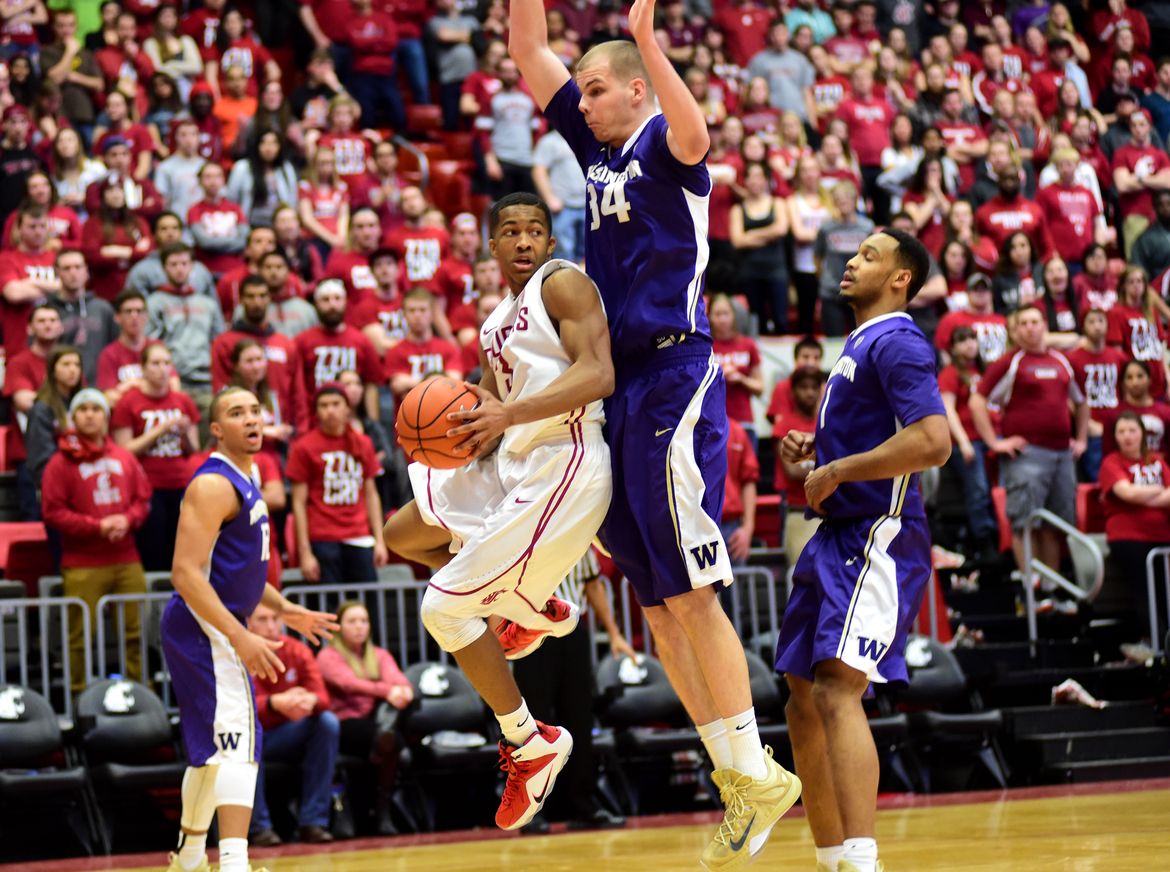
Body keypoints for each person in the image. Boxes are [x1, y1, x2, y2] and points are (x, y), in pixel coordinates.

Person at [508, 8, 801, 867]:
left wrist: (652, 43)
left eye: (597, 90)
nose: (584, 102)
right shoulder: (596, 154)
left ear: (636, 91)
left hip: (675, 375)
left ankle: (754, 763)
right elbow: (528, 49)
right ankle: (739, 774)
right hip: (618, 386)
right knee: (655, 603)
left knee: (694, 591)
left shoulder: (668, 152)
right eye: (584, 91)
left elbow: (696, 126)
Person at [381, 193, 613, 832]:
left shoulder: (563, 285)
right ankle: (527, 606)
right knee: (401, 531)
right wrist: (455, 418)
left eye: (535, 230)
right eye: (510, 231)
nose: (524, 241)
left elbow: (598, 374)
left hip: (564, 459)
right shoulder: (492, 323)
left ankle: (530, 740)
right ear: (491, 247)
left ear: (548, 240)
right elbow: (494, 398)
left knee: (441, 607)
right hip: (514, 462)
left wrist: (506, 415)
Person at [777, 229, 951, 872]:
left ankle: (862, 860)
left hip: (877, 532)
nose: (851, 261)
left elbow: (934, 441)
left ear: (901, 279)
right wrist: (815, 452)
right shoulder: (856, 342)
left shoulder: (899, 338)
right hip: (835, 535)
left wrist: (840, 470)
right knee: (800, 695)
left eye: (870, 256)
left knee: (838, 689)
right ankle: (830, 859)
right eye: (853, 254)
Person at [159, 385, 337, 872]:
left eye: (256, 411)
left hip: (207, 623)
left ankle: (190, 855)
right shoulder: (213, 484)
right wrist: (238, 635)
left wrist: (286, 608)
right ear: (217, 429)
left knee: (210, 753)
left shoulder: (249, 475)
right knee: (240, 739)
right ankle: (234, 863)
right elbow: (186, 573)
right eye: (237, 413)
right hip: (205, 625)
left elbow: (239, 571)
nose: (251, 420)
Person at [41, 388, 152, 692]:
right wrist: (97, 526)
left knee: (137, 632)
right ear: (73, 418)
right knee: (79, 636)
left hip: (127, 558)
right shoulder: (60, 462)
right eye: (83, 409)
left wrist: (128, 520)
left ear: (106, 417)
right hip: (82, 563)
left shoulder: (125, 457)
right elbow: (53, 512)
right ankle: (78, 697)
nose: (90, 414)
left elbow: (144, 500)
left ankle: (142, 693)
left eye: (96, 408)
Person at [969, 306, 1088, 577]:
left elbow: (1081, 402)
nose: (1031, 327)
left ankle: (1051, 591)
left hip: (1061, 455)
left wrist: (1080, 439)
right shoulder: (1010, 361)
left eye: (1035, 322)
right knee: (1025, 523)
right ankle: (1031, 590)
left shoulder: (1062, 361)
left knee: (1053, 525)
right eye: (1024, 323)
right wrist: (995, 442)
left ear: (1044, 325)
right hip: (1026, 455)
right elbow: (977, 402)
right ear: (1015, 330)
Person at [246, 602, 340, 847]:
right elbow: (240, 706)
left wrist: (310, 700)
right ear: (248, 623)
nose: (270, 626)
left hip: (288, 733)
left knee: (327, 723)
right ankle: (259, 828)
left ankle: (313, 822)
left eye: (275, 619)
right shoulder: (241, 652)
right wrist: (274, 703)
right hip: (254, 734)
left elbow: (323, 697)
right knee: (247, 737)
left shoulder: (297, 650)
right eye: (262, 619)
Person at [317, 600, 414, 836]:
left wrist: (403, 691)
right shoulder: (328, 656)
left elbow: (401, 683)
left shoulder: (379, 655)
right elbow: (348, 684)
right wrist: (387, 691)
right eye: (352, 621)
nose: (359, 626)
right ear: (338, 626)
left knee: (389, 736)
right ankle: (380, 810)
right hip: (341, 725)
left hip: (373, 724)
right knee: (388, 739)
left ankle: (382, 812)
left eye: (364, 621)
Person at [111, 343, 201, 572]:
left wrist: (184, 434)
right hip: (148, 486)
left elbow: (194, 449)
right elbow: (124, 451)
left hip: (181, 483)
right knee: (154, 549)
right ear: (143, 368)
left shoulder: (183, 401)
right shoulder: (129, 402)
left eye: (166, 363)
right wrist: (161, 429)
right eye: (155, 363)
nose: (162, 369)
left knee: (180, 549)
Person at [287, 384, 388, 584]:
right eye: (323, 405)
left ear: (347, 408)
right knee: (329, 609)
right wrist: (305, 553)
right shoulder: (303, 447)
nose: (330, 410)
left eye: (335, 404)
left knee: (366, 605)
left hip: (359, 535)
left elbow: (371, 494)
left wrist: (379, 541)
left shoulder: (363, 443)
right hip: (323, 537)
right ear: (316, 411)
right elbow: (298, 503)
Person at [1097, 411, 1170, 653]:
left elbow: (1136, 494)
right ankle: (1153, 641)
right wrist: (1157, 491)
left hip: (1163, 536)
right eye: (1122, 432)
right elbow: (1125, 493)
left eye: (1132, 430)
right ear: (1115, 437)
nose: (1127, 436)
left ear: (1142, 433)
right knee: (1144, 588)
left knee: (1164, 588)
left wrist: (1141, 495)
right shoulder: (1112, 463)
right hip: (1128, 538)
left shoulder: (1157, 462)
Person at [938, 325, 999, 562]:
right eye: (962, 340)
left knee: (997, 492)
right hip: (967, 441)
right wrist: (963, 442)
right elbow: (948, 410)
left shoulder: (984, 371)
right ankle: (985, 543)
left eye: (972, 339)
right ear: (952, 348)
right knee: (979, 491)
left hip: (991, 439)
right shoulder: (951, 373)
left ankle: (1000, 539)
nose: (969, 344)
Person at [1066, 309, 1128, 482]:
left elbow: (1126, 390)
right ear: (1083, 327)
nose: (1097, 326)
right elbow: (1067, 397)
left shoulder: (1118, 356)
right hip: (1091, 429)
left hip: (1116, 426)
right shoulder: (1073, 358)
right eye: (1091, 322)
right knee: (1097, 479)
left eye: (1101, 321)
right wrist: (1086, 424)